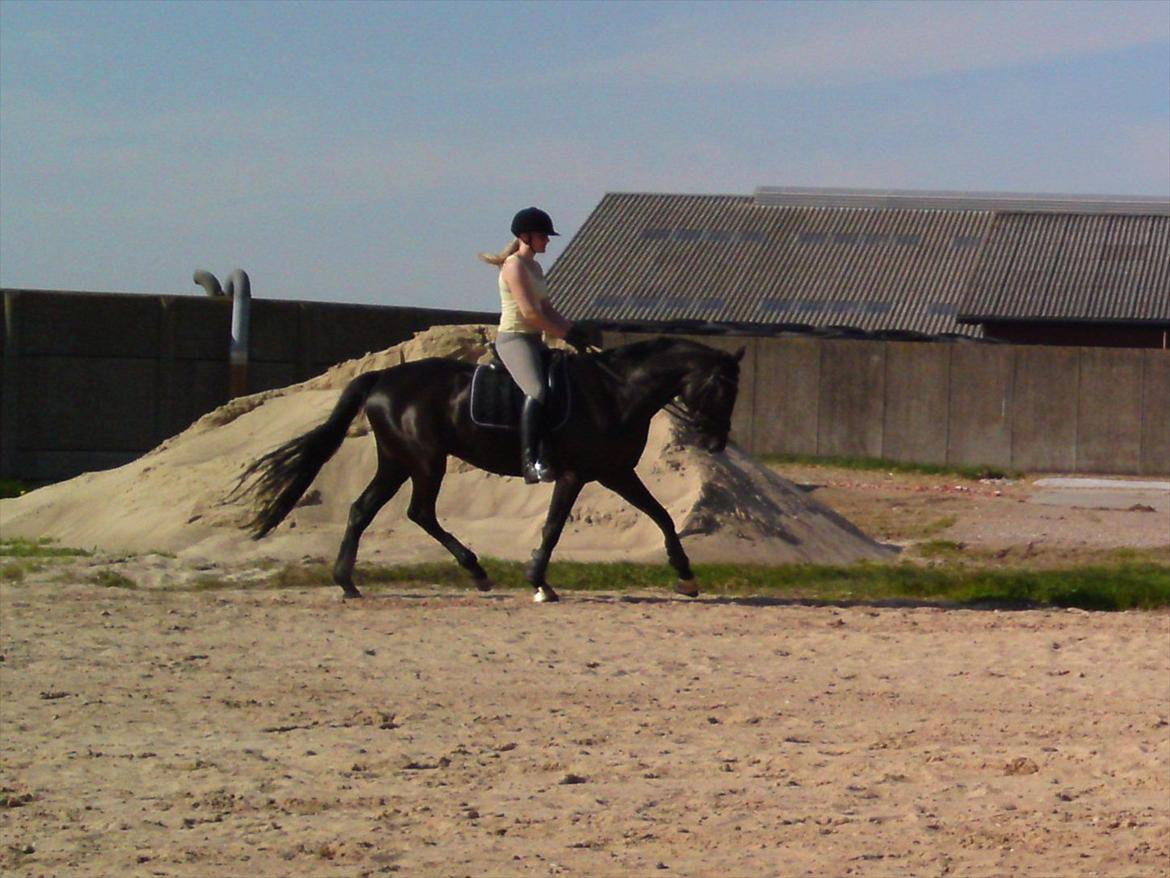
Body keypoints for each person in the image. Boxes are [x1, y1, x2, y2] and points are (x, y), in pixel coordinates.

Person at [479, 206, 589, 484]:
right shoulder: (514, 266)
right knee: (537, 390)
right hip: (514, 339)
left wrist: (574, 330)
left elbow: (547, 309)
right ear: (525, 236)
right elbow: (530, 313)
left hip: (534, 340)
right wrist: (562, 334)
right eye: (543, 236)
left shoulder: (535, 267)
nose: (547, 240)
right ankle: (529, 461)